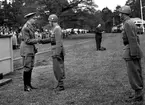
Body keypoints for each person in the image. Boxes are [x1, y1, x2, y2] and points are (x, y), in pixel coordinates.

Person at [119, 5, 144, 102]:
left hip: (131, 51)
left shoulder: (127, 24)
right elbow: (136, 38)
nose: (119, 15)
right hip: (133, 49)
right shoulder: (130, 22)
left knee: (133, 74)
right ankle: (138, 94)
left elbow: (133, 39)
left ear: (124, 14)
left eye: (120, 13)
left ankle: (138, 95)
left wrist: (134, 53)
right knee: (136, 73)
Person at [40, 14, 65, 91]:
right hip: (55, 50)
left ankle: (60, 85)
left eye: (49, 21)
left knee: (58, 68)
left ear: (52, 21)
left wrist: (57, 53)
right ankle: (59, 84)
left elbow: (58, 42)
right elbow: (52, 39)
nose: (49, 22)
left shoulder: (57, 29)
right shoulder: (54, 28)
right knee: (56, 68)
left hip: (57, 51)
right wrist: (41, 41)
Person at [20, 12, 41, 91]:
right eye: (34, 18)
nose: (35, 20)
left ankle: (29, 84)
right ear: (30, 19)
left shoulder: (30, 26)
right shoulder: (25, 27)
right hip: (26, 48)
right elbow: (27, 40)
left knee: (31, 66)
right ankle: (26, 86)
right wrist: (38, 40)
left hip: (30, 48)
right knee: (27, 67)